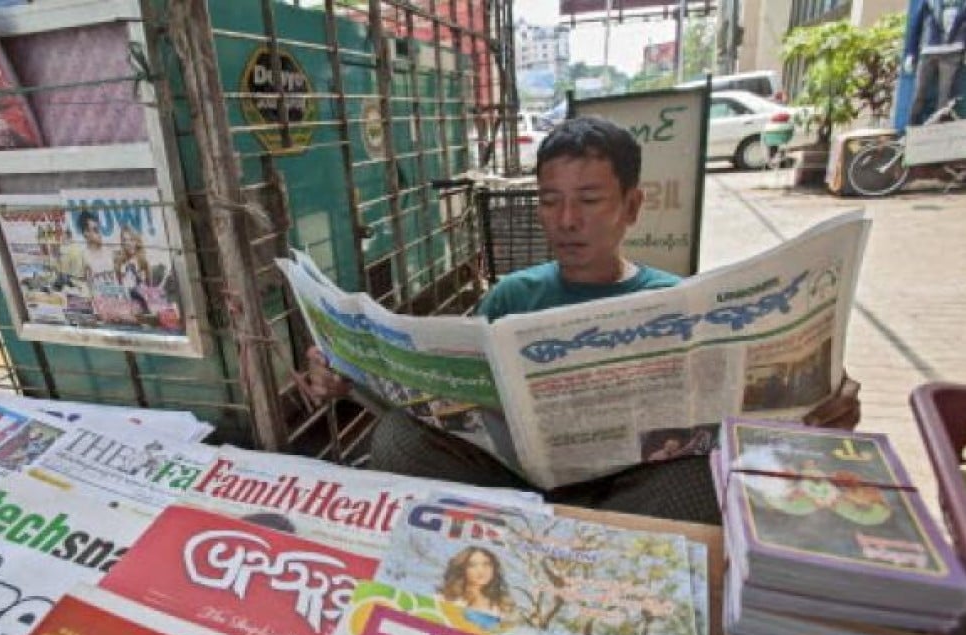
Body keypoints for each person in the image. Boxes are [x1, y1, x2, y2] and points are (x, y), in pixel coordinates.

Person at [305, 116, 861, 525]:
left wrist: (819, 414)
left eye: (589, 199)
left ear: (633, 206)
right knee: (398, 438)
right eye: (549, 201)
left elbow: (738, 434)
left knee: (704, 484)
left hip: (625, 501)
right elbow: (443, 408)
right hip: (510, 487)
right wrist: (348, 375)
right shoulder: (512, 296)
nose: (566, 221)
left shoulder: (676, 304)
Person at [439, 545, 514, 619]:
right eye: (472, 565)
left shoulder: (503, 606)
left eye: (487, 564)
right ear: (461, 569)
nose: (481, 570)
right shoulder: (443, 601)